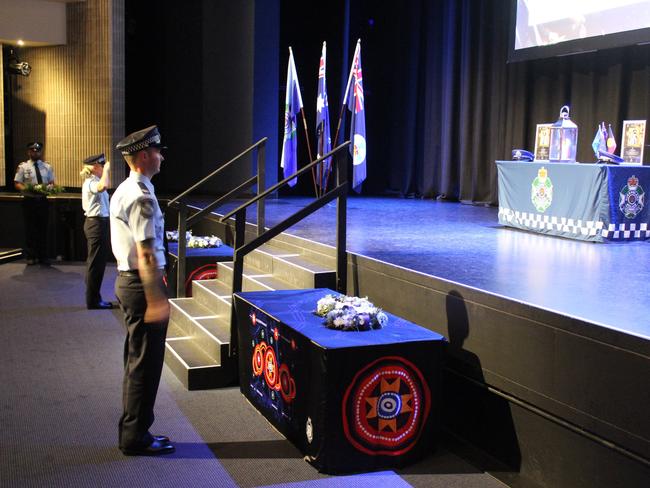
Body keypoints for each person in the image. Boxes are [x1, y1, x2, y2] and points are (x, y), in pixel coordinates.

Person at [110, 125, 174, 456]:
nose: (162, 157)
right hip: (140, 283)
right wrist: (156, 299)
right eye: (159, 152)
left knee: (138, 360)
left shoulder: (128, 188)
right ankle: (135, 437)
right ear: (145, 156)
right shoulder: (141, 196)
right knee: (145, 365)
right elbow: (146, 251)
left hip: (131, 281)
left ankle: (135, 430)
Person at [14, 142, 55, 265]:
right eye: (32, 151)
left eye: (37, 151)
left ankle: (43, 256)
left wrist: (48, 188)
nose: (35, 153)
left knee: (43, 229)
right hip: (29, 201)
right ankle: (31, 256)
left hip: (42, 201)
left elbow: (52, 182)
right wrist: (27, 189)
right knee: (30, 229)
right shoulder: (23, 167)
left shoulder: (47, 167)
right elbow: (17, 182)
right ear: (28, 152)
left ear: (40, 152)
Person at [81, 153, 113, 310]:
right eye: (102, 165)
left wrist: (105, 171)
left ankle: (94, 297)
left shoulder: (93, 181)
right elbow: (103, 187)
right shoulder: (91, 182)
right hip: (96, 224)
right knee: (95, 264)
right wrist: (106, 170)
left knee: (97, 263)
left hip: (100, 223)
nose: (104, 168)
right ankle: (93, 300)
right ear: (95, 167)